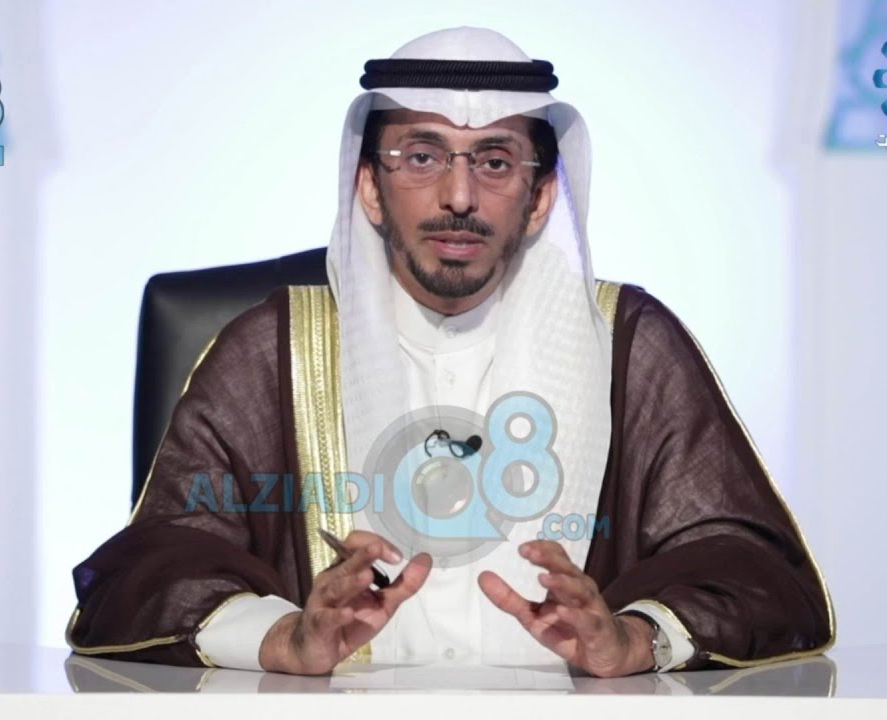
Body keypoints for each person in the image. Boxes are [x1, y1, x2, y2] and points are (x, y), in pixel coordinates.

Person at [66, 26, 833, 677]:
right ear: (371, 188)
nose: (459, 197)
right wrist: (283, 638)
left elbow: (749, 566)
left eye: (495, 162)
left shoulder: (627, 342)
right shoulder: (275, 348)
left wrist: (634, 638)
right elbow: (154, 566)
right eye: (422, 157)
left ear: (540, 196)